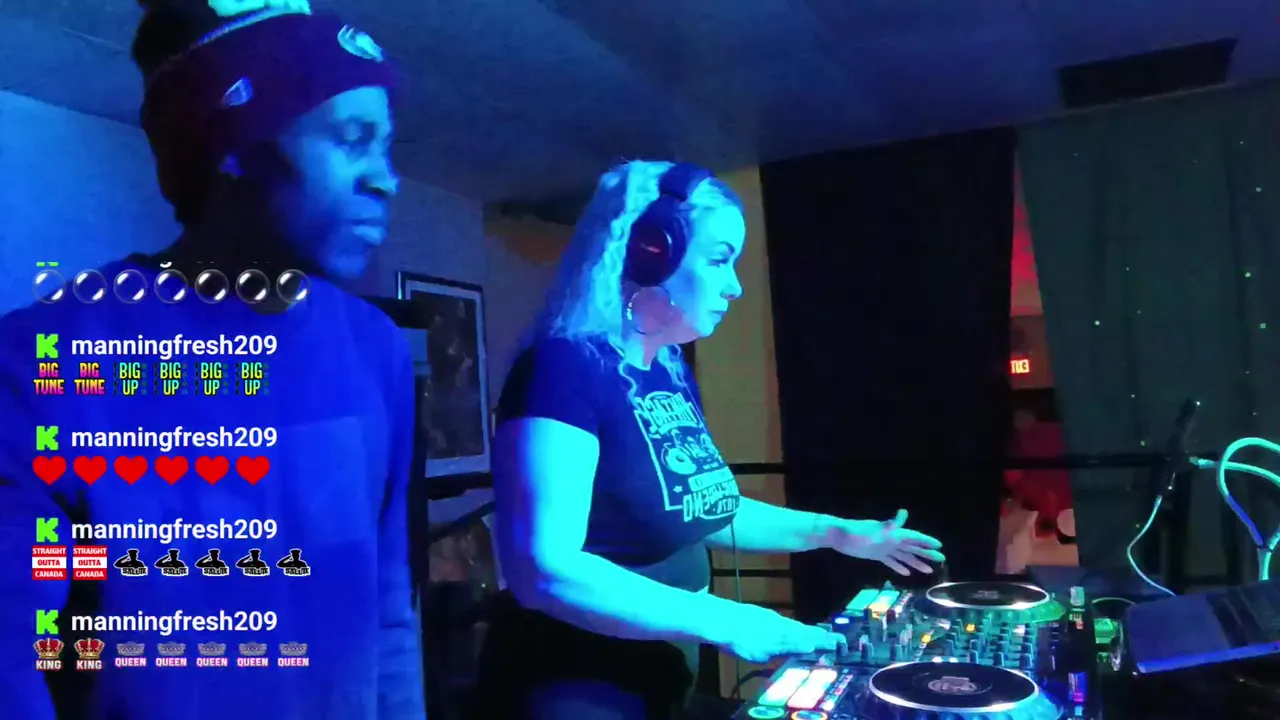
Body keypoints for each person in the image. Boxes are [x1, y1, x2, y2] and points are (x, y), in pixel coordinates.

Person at [0, 2, 422, 718]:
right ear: (234, 144)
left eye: (386, 146)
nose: (387, 180)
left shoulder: (376, 347)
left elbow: (387, 613)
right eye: (352, 140)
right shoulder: (44, 361)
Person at [475, 160, 946, 718]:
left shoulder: (668, 369)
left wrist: (838, 533)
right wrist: (729, 621)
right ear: (652, 254)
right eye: (720, 260)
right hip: (574, 682)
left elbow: (706, 509)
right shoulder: (562, 369)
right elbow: (544, 567)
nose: (735, 285)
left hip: (658, 669)